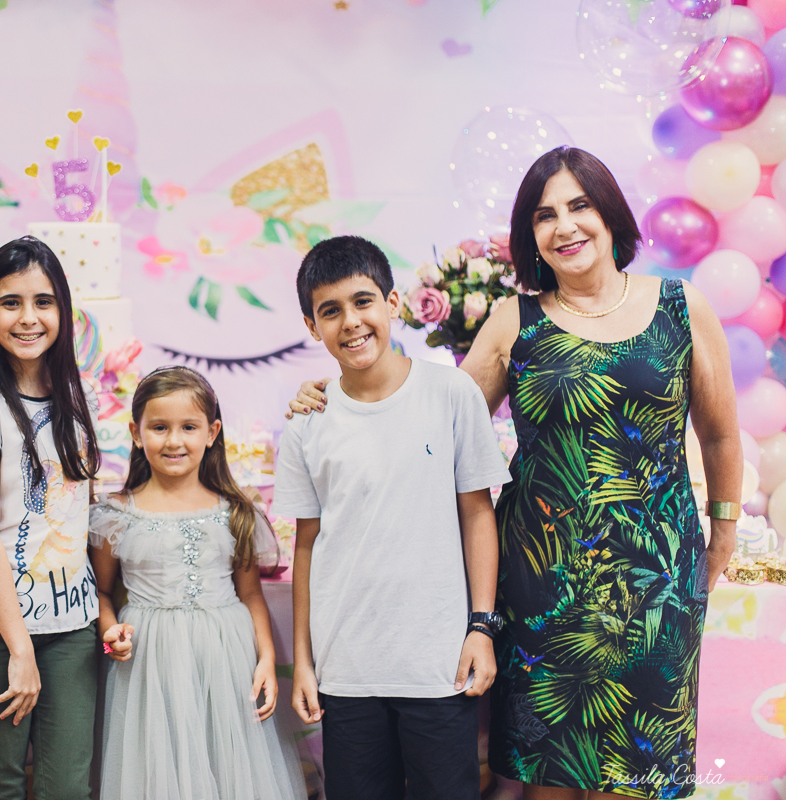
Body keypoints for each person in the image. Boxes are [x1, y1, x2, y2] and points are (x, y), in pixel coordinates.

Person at [289, 148, 741, 799]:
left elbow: (721, 433)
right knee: (547, 780)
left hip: (657, 585)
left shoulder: (680, 306)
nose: (565, 226)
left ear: (609, 211)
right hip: (542, 586)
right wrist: (331, 393)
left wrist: (722, 534)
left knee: (640, 777)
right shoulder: (514, 320)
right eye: (544, 214)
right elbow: (432, 424)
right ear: (529, 235)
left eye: (578, 206)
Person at [273, 235, 512, 800]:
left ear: (393, 303)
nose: (351, 322)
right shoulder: (308, 420)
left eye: (362, 302)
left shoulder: (451, 393)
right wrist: (304, 662)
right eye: (330, 311)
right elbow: (306, 546)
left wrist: (482, 626)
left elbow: (479, 515)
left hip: (438, 666)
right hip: (347, 669)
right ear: (312, 326)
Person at [88, 366, 307, 800]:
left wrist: (265, 659)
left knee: (227, 770)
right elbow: (101, 591)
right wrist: (108, 628)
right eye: (159, 427)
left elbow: (250, 595)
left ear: (212, 432)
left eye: (189, 427)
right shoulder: (115, 513)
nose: (174, 441)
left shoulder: (235, 511)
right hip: (149, 662)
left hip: (225, 657)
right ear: (136, 432)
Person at [0, 236, 101, 800]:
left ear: (62, 309)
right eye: (10, 303)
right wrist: (19, 650)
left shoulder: (73, 401)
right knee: (2, 784)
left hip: (73, 628)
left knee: (68, 787)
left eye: (43, 301)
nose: (29, 318)